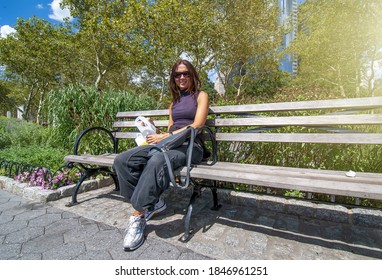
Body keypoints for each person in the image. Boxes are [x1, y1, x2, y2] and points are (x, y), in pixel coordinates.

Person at [113, 59, 209, 251]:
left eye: (186, 73)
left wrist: (166, 136)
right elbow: (169, 129)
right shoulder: (173, 103)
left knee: (157, 160)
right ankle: (154, 202)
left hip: (191, 145)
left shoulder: (201, 96)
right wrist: (152, 129)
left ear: (193, 76)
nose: (182, 77)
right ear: (173, 78)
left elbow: (197, 125)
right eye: (177, 74)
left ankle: (138, 215)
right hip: (170, 143)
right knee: (122, 160)